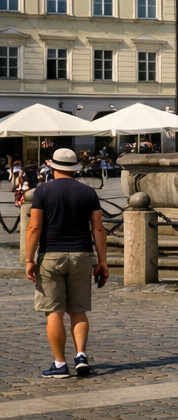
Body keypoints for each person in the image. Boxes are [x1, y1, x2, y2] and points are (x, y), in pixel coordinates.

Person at [23, 149, 108, 378]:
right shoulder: (88, 192)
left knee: (54, 312)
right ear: (75, 169)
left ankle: (60, 364)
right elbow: (98, 228)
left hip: (51, 255)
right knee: (78, 311)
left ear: (52, 167)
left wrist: (29, 259)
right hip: (81, 255)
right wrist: (102, 261)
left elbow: (34, 227)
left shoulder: (43, 191)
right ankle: (81, 355)